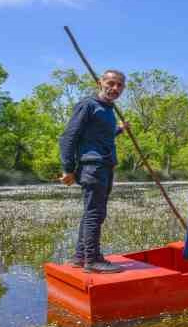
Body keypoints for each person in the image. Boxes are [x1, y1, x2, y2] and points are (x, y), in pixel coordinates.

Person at [58, 69, 127, 273]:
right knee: (95, 214)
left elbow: (100, 137)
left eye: (119, 85)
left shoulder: (108, 109)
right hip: (92, 167)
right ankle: (92, 260)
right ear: (100, 83)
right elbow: (68, 137)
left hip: (104, 165)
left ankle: (80, 257)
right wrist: (68, 168)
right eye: (111, 83)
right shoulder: (88, 105)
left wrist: (119, 130)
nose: (114, 88)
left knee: (93, 213)